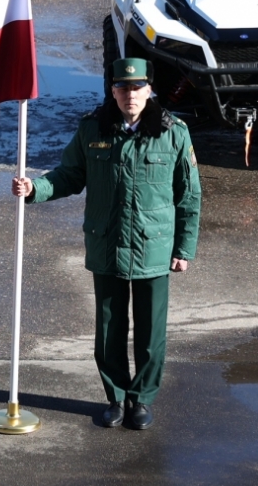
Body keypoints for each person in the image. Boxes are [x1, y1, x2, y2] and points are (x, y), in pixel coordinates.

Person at [12, 57, 201, 432]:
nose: (130, 95)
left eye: (136, 88)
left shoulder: (173, 132)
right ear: (112, 91)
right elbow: (69, 175)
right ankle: (115, 396)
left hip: (153, 247)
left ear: (149, 90)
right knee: (110, 327)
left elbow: (189, 195)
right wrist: (36, 189)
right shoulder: (93, 129)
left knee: (150, 332)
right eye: (122, 88)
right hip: (107, 245)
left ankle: (142, 399)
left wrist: (184, 248)